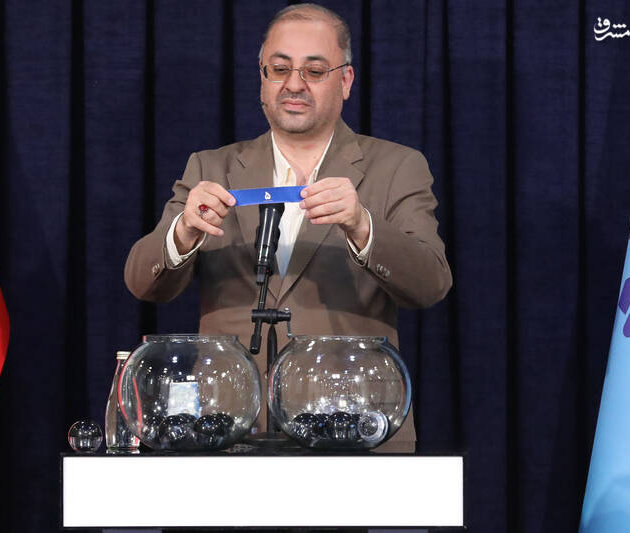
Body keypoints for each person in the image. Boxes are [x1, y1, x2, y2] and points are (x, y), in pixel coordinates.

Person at [125, 3, 452, 453]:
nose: (294, 84)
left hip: (353, 428)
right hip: (227, 429)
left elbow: (431, 283)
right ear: (262, 77)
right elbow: (142, 282)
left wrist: (362, 225)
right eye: (280, 69)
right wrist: (182, 233)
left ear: (346, 81)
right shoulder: (211, 167)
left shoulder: (396, 166)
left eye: (314, 71)